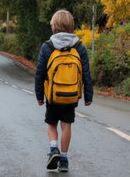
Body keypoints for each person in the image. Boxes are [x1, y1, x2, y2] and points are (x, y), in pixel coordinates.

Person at [35, 9, 93, 172]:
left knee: (51, 124)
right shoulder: (79, 47)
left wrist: (39, 95)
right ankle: (65, 160)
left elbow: (39, 74)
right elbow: (86, 73)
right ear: (71, 26)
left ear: (54, 26)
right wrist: (88, 95)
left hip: (53, 96)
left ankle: (54, 149)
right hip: (71, 95)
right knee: (66, 125)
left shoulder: (47, 47)